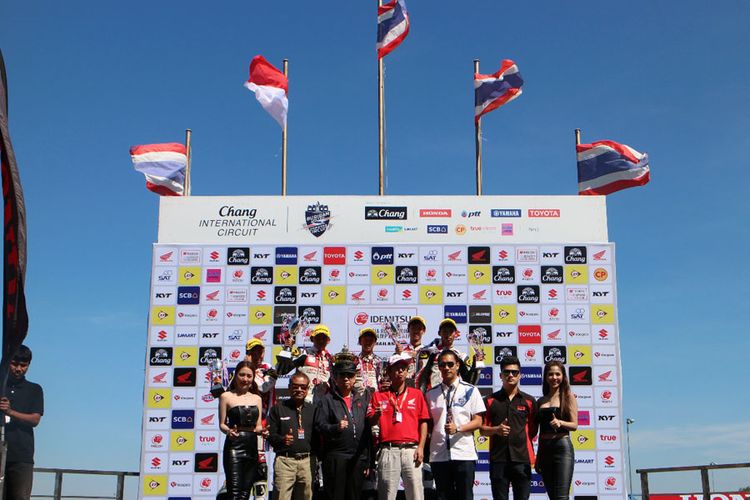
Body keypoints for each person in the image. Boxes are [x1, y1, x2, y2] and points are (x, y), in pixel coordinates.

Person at [368, 352, 429, 500]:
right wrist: (376, 415)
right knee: (386, 495)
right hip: (388, 450)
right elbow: (370, 422)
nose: (400, 371)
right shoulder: (378, 396)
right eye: (396, 368)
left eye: (404, 368)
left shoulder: (417, 394)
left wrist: (421, 447)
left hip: (411, 450)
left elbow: (424, 422)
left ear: (408, 371)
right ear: (388, 371)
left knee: (416, 494)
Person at [425, 350, 485, 500]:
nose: (446, 368)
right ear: (438, 367)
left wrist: (458, 428)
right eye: (442, 364)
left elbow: (478, 421)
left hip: (464, 453)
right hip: (439, 455)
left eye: (450, 364)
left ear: (458, 365)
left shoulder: (471, 390)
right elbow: (427, 425)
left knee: (465, 496)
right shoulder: (430, 394)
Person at [314, 351, 372, 500]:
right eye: (342, 375)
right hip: (335, 457)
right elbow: (319, 426)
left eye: (350, 375)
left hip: (357, 457)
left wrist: (368, 460)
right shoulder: (327, 400)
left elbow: (367, 433)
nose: (346, 378)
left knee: (354, 496)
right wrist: (335, 427)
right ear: (335, 378)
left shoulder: (362, 400)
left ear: (355, 378)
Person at [480, 356, 538, 500]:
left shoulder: (529, 401)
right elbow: (482, 429)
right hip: (498, 460)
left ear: (520, 375)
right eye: (506, 372)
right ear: (500, 375)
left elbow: (532, 430)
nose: (510, 375)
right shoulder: (489, 400)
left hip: (522, 460)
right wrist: (496, 430)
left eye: (514, 372)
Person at [0, 345, 44, 500]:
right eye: (14, 364)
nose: (18, 369)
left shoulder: (34, 390)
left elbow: (35, 419)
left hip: (21, 457)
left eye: (23, 365)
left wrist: (11, 412)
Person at [267, 371, 317, 500]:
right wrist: (282, 439)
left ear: (307, 389)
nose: (299, 390)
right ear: (289, 387)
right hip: (285, 461)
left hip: (307, 461)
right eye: (295, 386)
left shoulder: (314, 409)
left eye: (303, 387)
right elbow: (270, 436)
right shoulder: (277, 408)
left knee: (306, 497)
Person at [219, 360, 264, 500]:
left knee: (245, 494)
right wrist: (228, 431)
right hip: (234, 446)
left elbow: (258, 426)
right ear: (236, 376)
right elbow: (222, 424)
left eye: (249, 376)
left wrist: (263, 431)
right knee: (234, 493)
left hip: (252, 446)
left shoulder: (257, 398)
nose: (245, 379)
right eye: (242, 375)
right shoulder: (226, 396)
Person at [535, 361, 578, 500]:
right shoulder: (541, 401)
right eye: (550, 374)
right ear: (546, 377)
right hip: (545, 449)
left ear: (563, 376)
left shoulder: (568, 397)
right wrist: (538, 456)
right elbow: (540, 432)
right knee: (552, 496)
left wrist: (560, 422)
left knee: (561, 496)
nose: (554, 377)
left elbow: (574, 425)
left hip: (562, 447)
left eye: (557, 374)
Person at [417, 319, 478, 394]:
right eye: (445, 331)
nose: (448, 335)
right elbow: (421, 376)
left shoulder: (460, 356)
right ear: (439, 333)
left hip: (453, 396)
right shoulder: (430, 353)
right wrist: (421, 395)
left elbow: (469, 381)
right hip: (433, 396)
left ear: (455, 334)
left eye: (451, 331)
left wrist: (476, 365)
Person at [290, 325, 334, 403]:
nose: (321, 340)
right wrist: (287, 350)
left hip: (324, 403)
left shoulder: (330, 359)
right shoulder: (303, 353)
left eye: (324, 338)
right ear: (312, 339)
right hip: (305, 400)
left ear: (328, 340)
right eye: (318, 337)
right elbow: (282, 370)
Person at [394, 316, 427, 387]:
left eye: (419, 328)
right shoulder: (401, 351)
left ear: (423, 331)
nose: (416, 331)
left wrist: (418, 356)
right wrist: (397, 355)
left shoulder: (428, 351)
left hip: (423, 389)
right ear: (408, 330)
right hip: (406, 389)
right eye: (413, 328)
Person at [355, 327, 383, 396]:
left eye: (371, 340)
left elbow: (382, 381)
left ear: (375, 342)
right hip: (358, 398)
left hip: (375, 397)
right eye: (365, 340)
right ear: (360, 342)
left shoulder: (379, 361)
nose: (368, 342)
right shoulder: (355, 361)